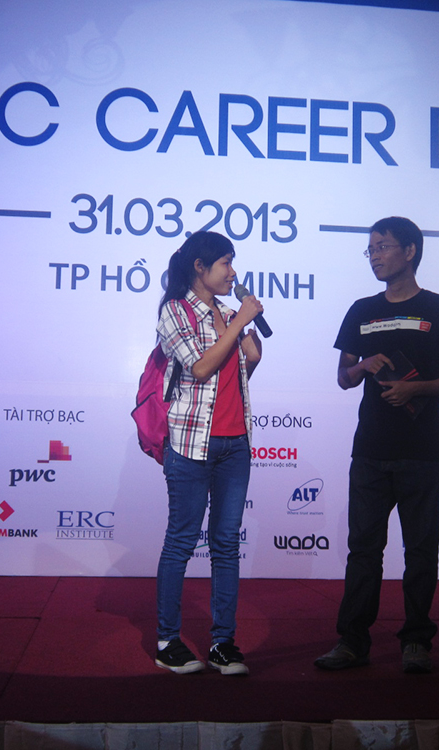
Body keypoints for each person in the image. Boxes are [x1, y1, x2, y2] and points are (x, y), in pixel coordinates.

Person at [315, 216, 439, 675]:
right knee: (363, 550)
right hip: (370, 450)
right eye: (371, 249)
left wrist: (414, 389)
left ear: (410, 251)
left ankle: (416, 641)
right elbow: (343, 377)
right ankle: (352, 641)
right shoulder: (362, 310)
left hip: (422, 449)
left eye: (383, 246)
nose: (375, 256)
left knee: (421, 551)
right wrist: (362, 367)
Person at [153, 231, 264, 675]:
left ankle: (223, 643)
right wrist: (238, 325)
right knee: (181, 541)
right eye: (225, 263)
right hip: (191, 444)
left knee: (226, 545)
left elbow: (235, 373)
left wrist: (250, 350)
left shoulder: (228, 313)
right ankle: (167, 641)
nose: (232, 272)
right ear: (199, 267)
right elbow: (199, 368)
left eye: (233, 263)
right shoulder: (175, 310)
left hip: (235, 444)